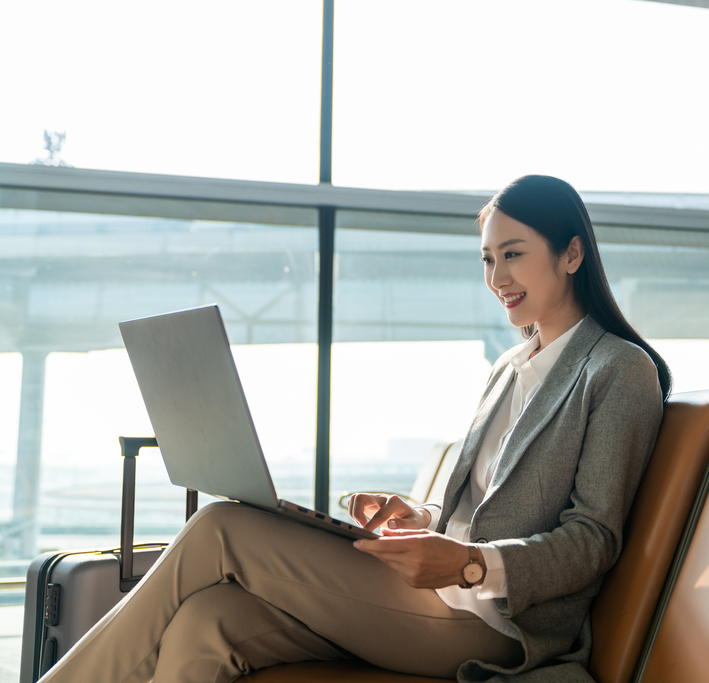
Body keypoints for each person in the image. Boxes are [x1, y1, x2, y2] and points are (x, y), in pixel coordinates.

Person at [38, 175, 670, 683]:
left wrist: (473, 566)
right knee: (209, 620)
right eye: (486, 259)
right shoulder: (510, 366)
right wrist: (419, 516)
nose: (497, 278)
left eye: (513, 255)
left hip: (500, 627)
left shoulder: (618, 370)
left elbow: (593, 540)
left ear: (572, 253)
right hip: (434, 596)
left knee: (221, 527)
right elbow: (482, 506)